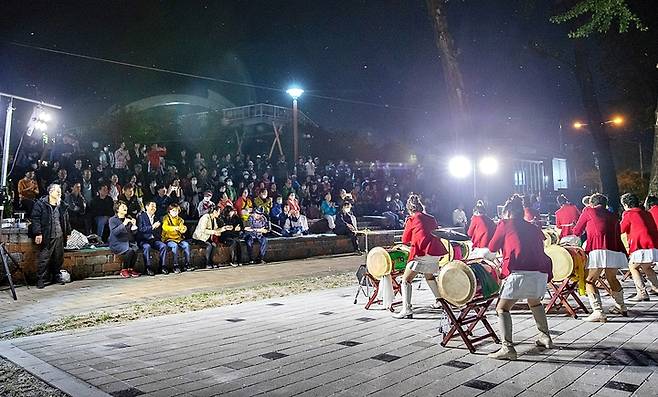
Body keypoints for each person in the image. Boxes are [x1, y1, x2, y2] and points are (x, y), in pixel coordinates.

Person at [487, 194, 553, 360]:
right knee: (535, 302)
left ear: (508, 212)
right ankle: (545, 337)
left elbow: (492, 247)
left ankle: (507, 347)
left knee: (502, 308)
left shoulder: (505, 223)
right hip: (540, 272)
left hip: (520, 272)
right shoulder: (532, 227)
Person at [573, 193, 628, 322]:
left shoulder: (588, 211)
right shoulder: (613, 215)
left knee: (590, 280)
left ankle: (598, 312)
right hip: (614, 249)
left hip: (598, 248)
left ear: (591, 203)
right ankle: (621, 306)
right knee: (612, 278)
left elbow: (577, 231)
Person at [393, 194, 448, 319]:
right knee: (429, 276)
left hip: (421, 252)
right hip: (434, 252)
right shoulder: (431, 218)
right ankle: (440, 301)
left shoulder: (411, 219)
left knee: (406, 280)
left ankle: (406, 309)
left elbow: (405, 239)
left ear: (409, 209)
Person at [31, 184, 71, 289]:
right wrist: (38, 233)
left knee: (58, 258)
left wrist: (68, 232)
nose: (59, 193)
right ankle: (41, 279)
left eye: (60, 191)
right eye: (57, 191)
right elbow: (35, 219)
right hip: (47, 235)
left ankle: (56, 276)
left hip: (59, 235)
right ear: (50, 192)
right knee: (44, 258)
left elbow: (66, 219)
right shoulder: (41, 204)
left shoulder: (62, 205)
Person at [620, 193, 658, 301]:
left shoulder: (628, 214)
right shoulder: (646, 213)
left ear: (626, 204)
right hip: (653, 244)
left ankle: (642, 292)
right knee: (646, 267)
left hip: (641, 245)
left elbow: (621, 229)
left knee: (633, 267)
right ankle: (656, 287)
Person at [108, 201, 140, 279]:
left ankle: (131, 269)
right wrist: (124, 224)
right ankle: (124, 269)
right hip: (117, 243)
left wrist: (134, 225)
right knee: (129, 251)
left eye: (125, 207)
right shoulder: (112, 220)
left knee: (135, 249)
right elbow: (115, 232)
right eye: (123, 207)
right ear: (117, 209)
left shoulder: (129, 218)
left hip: (128, 241)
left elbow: (134, 233)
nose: (125, 208)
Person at [136, 201, 167, 276]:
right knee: (147, 247)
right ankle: (148, 267)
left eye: (155, 207)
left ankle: (162, 266)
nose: (154, 208)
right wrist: (152, 227)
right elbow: (140, 229)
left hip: (154, 239)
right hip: (144, 240)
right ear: (146, 207)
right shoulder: (141, 217)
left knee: (163, 246)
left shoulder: (156, 217)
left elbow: (159, 231)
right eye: (152, 206)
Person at [161, 203, 193, 273]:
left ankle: (187, 264)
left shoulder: (180, 219)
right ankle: (175, 265)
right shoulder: (166, 218)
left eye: (176, 211)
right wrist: (175, 228)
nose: (175, 212)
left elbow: (182, 228)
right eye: (173, 210)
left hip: (178, 239)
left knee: (186, 245)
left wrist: (183, 229)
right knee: (175, 246)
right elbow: (165, 227)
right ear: (169, 211)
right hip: (168, 239)